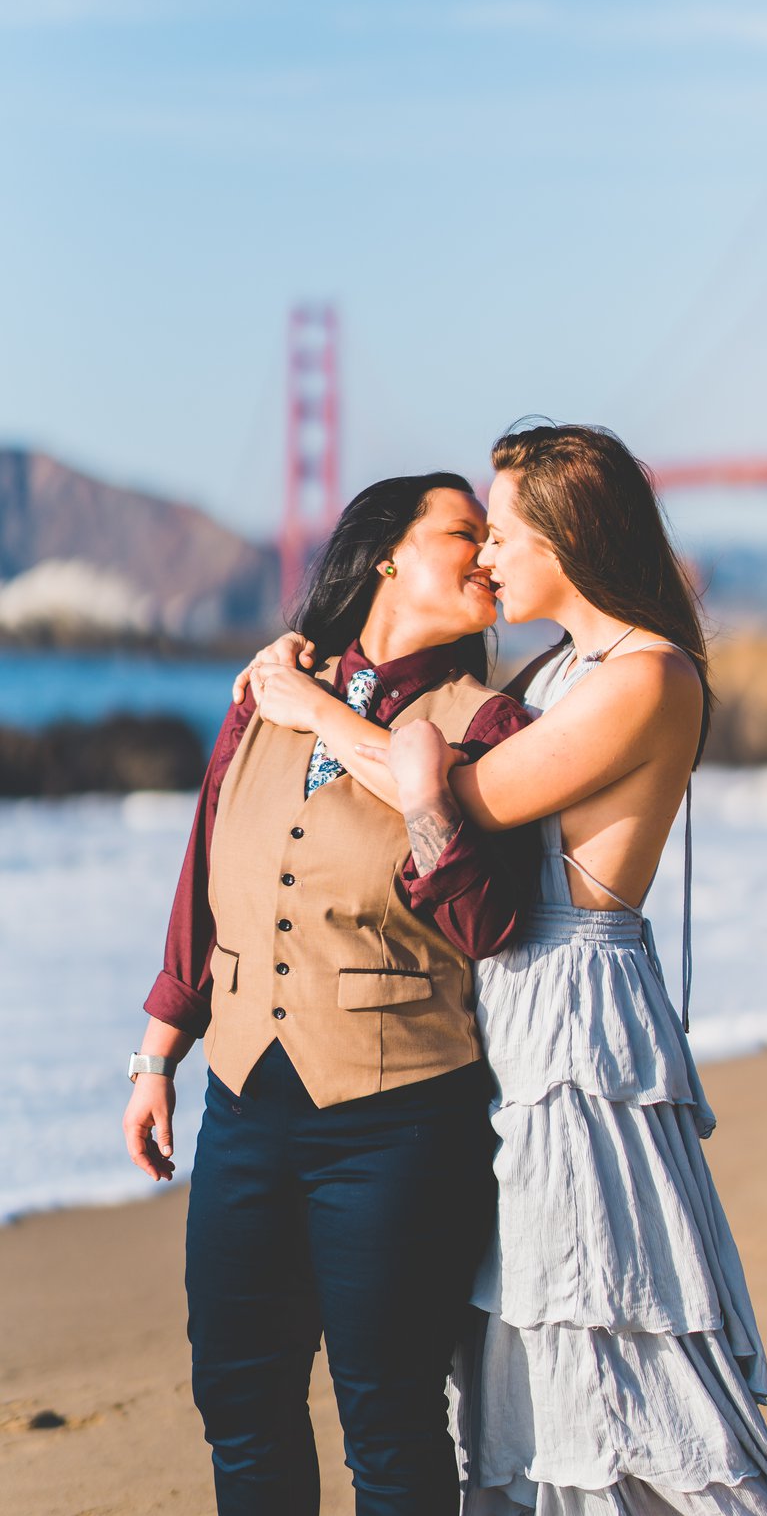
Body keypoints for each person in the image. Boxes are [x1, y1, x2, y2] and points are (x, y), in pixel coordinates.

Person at [256, 424, 767, 1513]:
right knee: (522, 1338)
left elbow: (473, 804)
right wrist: (319, 670)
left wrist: (318, 713)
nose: (486, 559)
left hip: (579, 1023)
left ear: (566, 535)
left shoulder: (647, 675)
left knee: (607, 1317)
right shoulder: (555, 668)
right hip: (509, 1007)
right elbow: (433, 787)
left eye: (504, 532)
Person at [122, 472, 539, 1516]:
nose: (488, 555)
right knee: (239, 1397)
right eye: (465, 532)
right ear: (388, 552)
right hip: (243, 1109)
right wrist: (157, 1051)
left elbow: (490, 921)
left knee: (391, 1419)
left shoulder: (485, 720)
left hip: (399, 1121)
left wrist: (423, 783)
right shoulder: (265, 692)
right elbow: (206, 868)